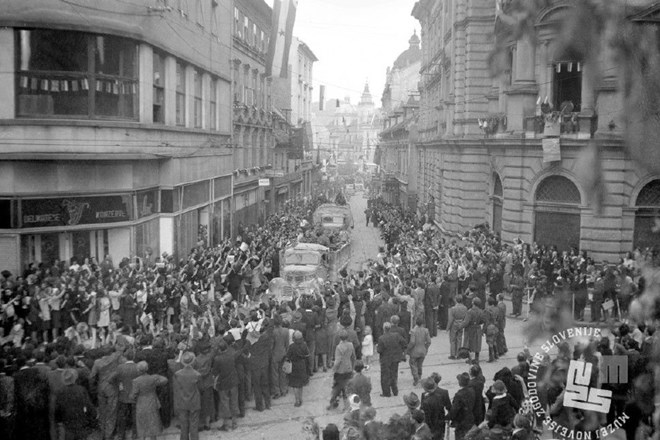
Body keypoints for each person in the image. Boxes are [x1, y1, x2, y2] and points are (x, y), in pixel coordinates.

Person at [129, 361, 168, 440]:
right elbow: (165, 380)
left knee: (142, 424)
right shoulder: (153, 378)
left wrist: (130, 397)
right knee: (153, 422)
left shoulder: (136, 381)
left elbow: (133, 395)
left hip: (141, 403)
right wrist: (156, 376)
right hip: (152, 401)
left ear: (138, 370)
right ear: (147, 368)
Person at [54, 369, 96, 440]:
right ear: (74, 378)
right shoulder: (81, 389)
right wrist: (92, 416)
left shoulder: (60, 391)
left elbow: (57, 409)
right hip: (81, 422)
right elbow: (88, 405)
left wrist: (58, 420)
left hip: (67, 423)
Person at [212, 340, 239, 431]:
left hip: (223, 384)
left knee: (225, 403)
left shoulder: (217, 359)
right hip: (233, 381)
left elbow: (215, 372)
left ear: (219, 350)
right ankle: (234, 423)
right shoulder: (232, 354)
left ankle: (226, 425)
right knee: (234, 402)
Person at [173, 352, 201, 440]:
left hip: (182, 402)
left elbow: (176, 388)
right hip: (194, 402)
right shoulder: (197, 374)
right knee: (194, 425)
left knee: (183, 425)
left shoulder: (177, 374)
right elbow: (201, 388)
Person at [328, 329, 355, 410]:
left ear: (340, 338)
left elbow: (338, 360)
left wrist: (334, 369)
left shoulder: (339, 347)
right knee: (346, 389)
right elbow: (353, 357)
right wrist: (352, 367)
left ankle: (333, 403)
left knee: (336, 388)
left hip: (340, 370)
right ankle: (347, 406)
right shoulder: (350, 345)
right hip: (348, 368)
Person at [115, 349, 140, 440]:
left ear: (125, 357)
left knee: (122, 416)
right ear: (133, 356)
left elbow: (114, 378)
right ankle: (135, 433)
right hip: (135, 395)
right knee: (135, 415)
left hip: (123, 394)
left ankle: (121, 434)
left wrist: (119, 384)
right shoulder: (138, 367)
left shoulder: (120, 367)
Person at [377, 321, 406, 397]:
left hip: (385, 360)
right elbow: (404, 342)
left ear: (384, 329)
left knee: (385, 376)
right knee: (394, 375)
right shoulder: (396, 335)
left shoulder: (381, 338)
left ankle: (386, 393)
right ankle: (395, 390)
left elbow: (379, 350)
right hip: (395, 358)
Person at [421, 376, 452, 440]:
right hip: (440, 425)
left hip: (431, 427)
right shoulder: (440, 396)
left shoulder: (426, 401)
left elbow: (427, 418)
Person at [287, 330, 311, 407]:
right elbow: (307, 355)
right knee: (300, 384)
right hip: (302, 365)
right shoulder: (304, 345)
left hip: (294, 366)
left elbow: (288, 356)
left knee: (295, 384)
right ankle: (300, 398)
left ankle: (297, 400)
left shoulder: (291, 347)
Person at [449, 372, 475, 440]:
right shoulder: (472, 390)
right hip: (470, 418)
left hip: (461, 421)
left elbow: (454, 409)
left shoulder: (459, 395)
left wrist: (449, 417)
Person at [408, 316, 431, 386]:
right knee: (420, 364)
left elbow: (412, 342)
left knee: (413, 364)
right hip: (422, 350)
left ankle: (416, 378)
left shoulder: (413, 331)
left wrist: (408, 349)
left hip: (414, 351)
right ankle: (420, 375)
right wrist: (426, 348)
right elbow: (429, 341)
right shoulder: (426, 330)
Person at [447, 295, 467, 359]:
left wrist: (448, 327)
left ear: (456, 300)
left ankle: (453, 354)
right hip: (461, 323)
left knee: (452, 339)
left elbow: (451, 319)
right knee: (459, 339)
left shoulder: (453, 308)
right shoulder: (465, 308)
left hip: (454, 324)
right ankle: (459, 354)